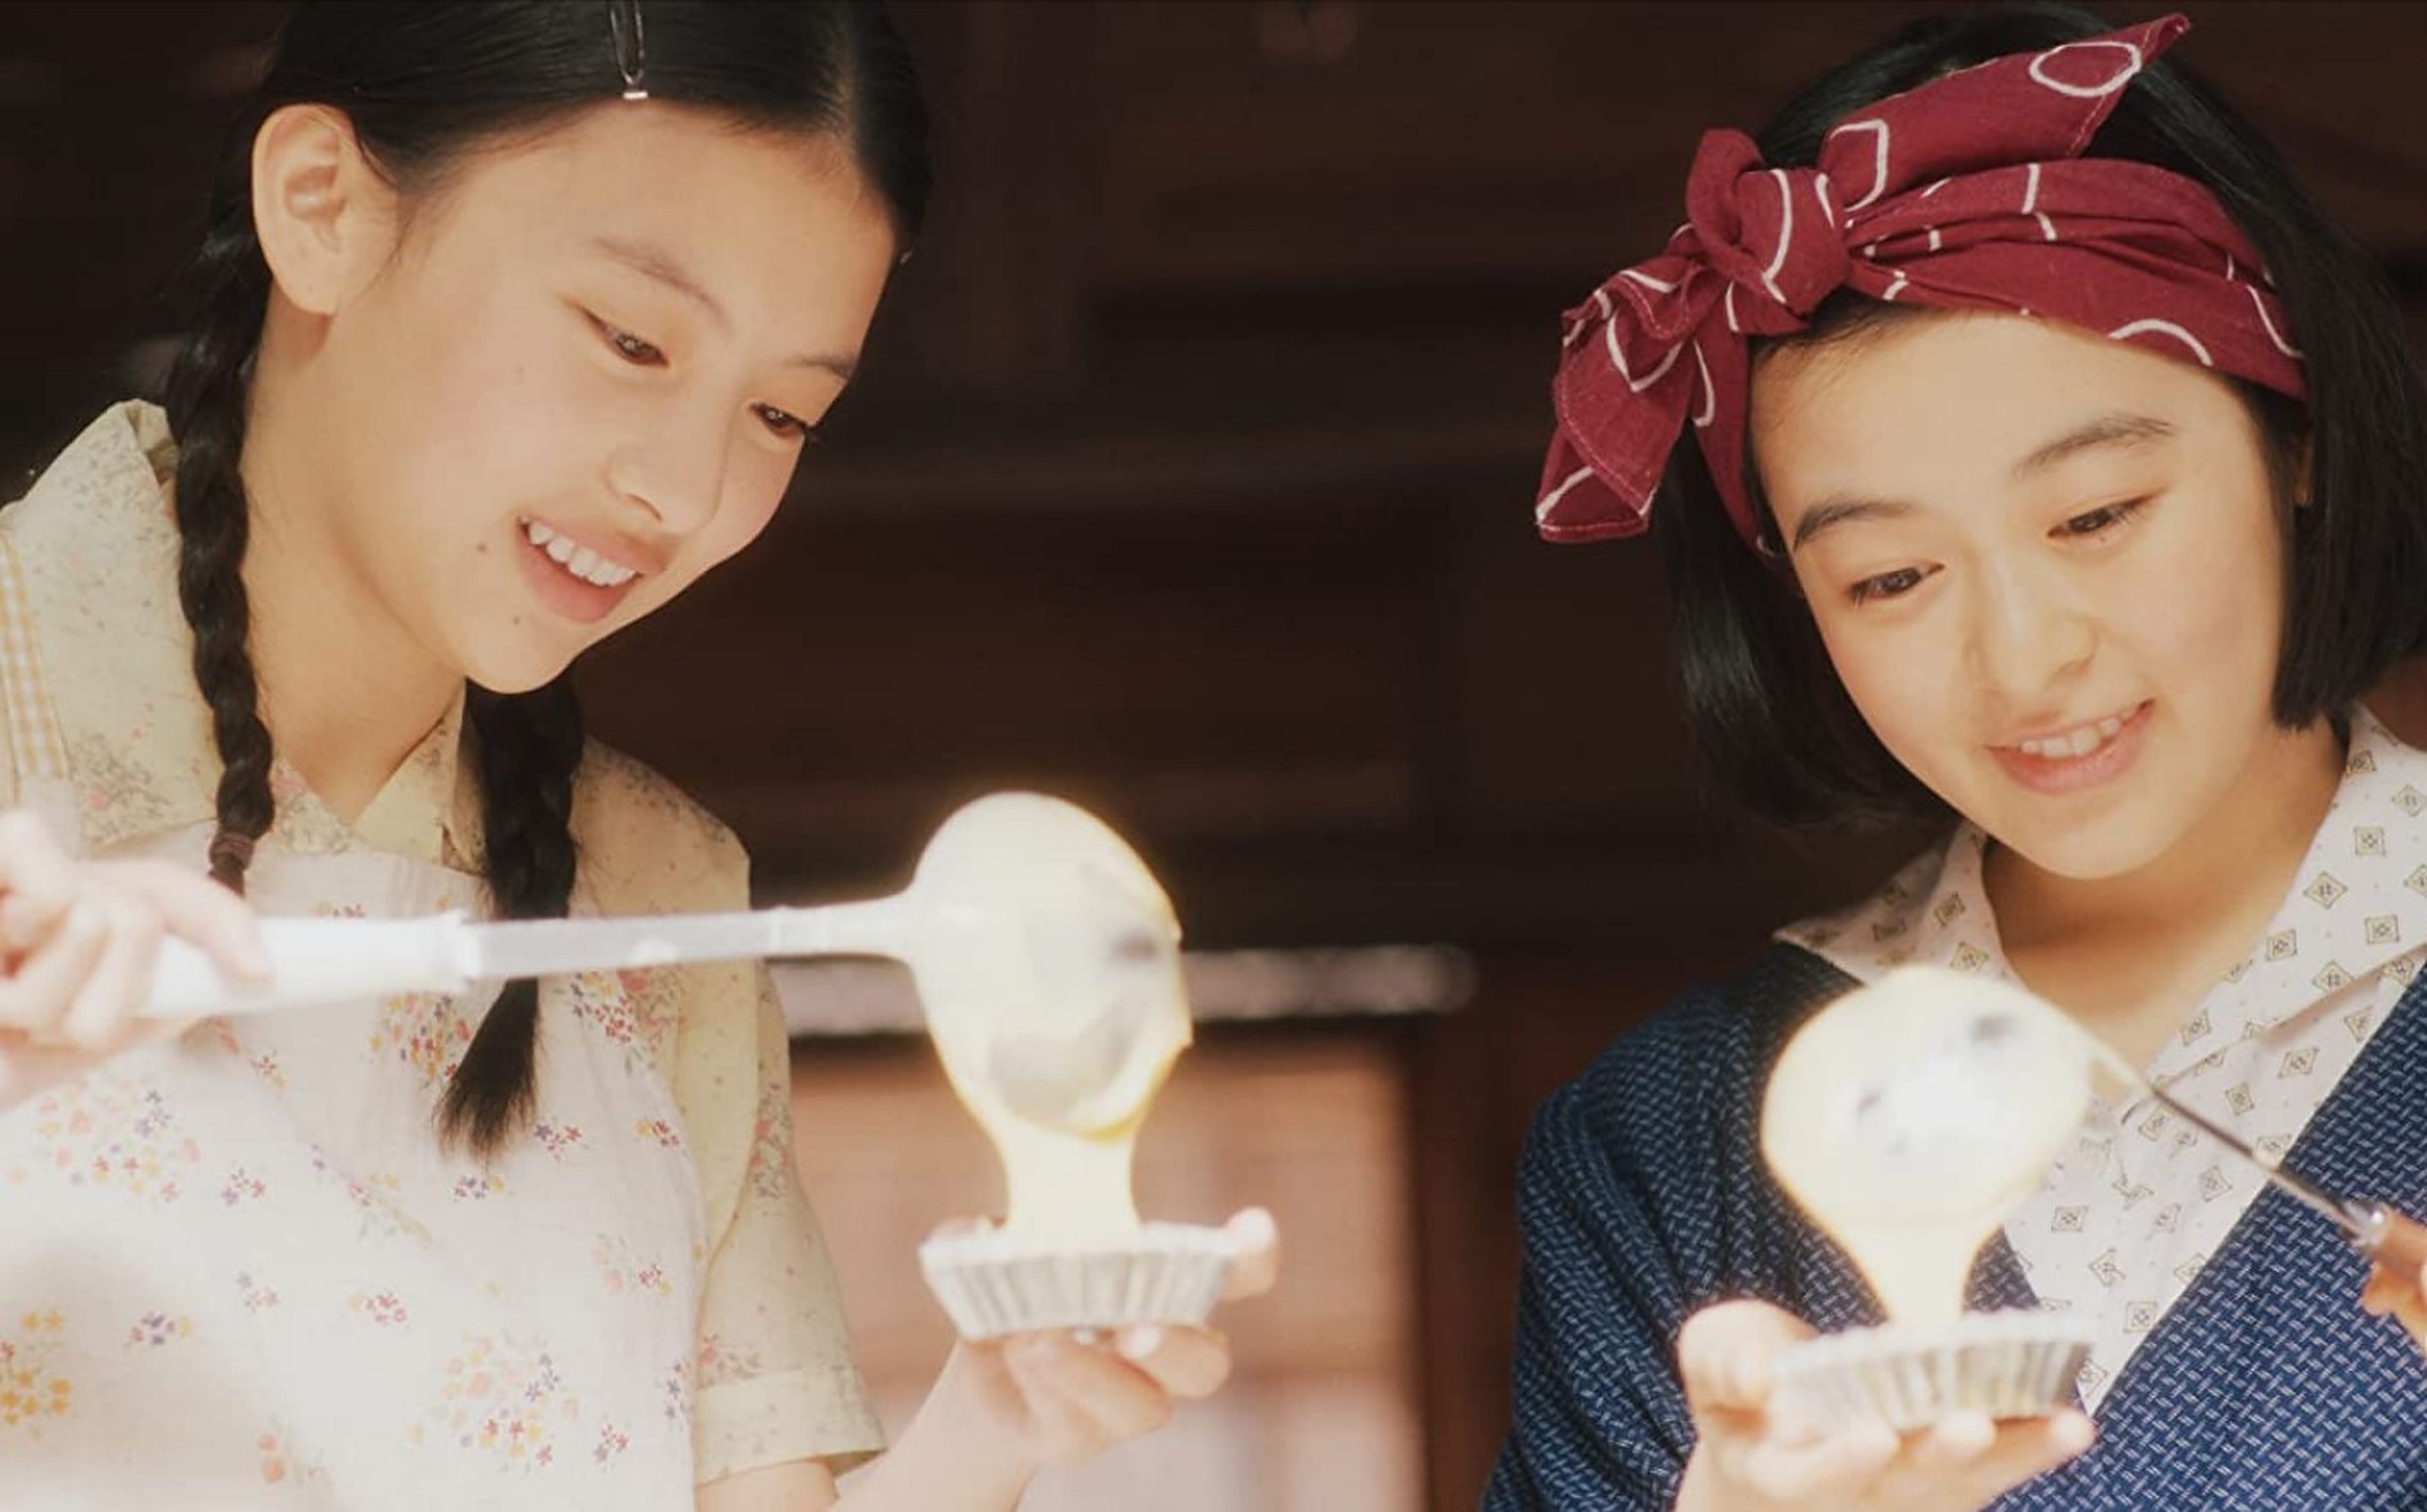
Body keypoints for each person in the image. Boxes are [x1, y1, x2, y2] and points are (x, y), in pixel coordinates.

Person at [0, 3, 1274, 1508]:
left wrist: (994, 1420)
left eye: (781, 412)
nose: (685, 488)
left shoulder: (665, 892)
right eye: (630, 338)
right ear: (322, 206)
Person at [1486, 6, 2427, 1508]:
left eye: (2096, 515)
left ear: (2293, 436)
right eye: (1890, 578)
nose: (2022, 659)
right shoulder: (1671, 1143)